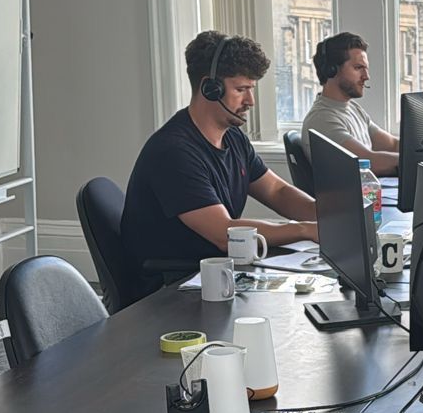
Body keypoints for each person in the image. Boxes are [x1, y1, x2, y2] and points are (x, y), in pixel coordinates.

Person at [121, 31, 318, 274]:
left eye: (251, 89)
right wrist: (304, 229)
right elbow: (224, 234)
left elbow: (277, 192)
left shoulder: (233, 137)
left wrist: (329, 216)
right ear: (210, 89)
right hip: (171, 288)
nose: (250, 101)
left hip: (216, 272)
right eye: (241, 89)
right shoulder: (173, 152)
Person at [301, 31, 399, 178]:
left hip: (368, 194)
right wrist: (417, 161)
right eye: (358, 68)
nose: (366, 76)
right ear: (332, 70)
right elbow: (369, 162)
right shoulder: (322, 119)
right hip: (350, 200)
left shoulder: (352, 109)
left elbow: (392, 145)